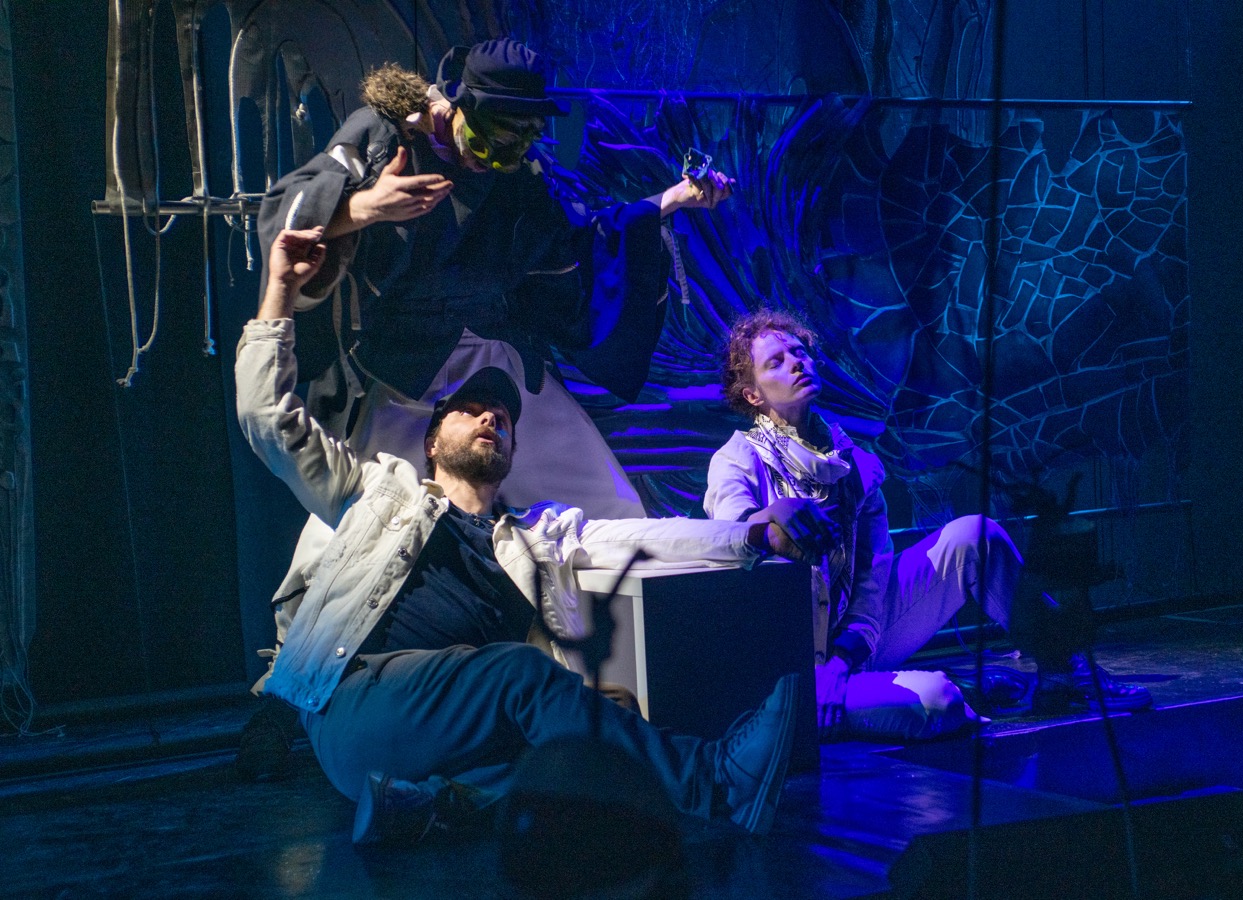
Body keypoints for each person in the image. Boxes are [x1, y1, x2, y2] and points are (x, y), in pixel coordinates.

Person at [235, 228, 831, 841]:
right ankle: (717, 782)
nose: (491, 416)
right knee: (526, 677)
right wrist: (280, 290)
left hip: (457, 730)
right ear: (433, 441)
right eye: (471, 410)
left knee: (591, 734)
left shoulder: (535, 534)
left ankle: (433, 805)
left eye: (503, 417)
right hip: (356, 701)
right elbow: (268, 420)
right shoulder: (376, 492)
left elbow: (647, 537)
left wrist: (752, 535)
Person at [257, 38, 732, 518]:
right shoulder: (386, 136)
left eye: (521, 141)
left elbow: (577, 238)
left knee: (610, 509)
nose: (499, 159)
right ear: (458, 107)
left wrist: (670, 200)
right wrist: (364, 207)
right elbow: (288, 213)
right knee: (367, 518)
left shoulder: (522, 172)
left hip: (501, 353)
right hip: (401, 369)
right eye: (495, 138)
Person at [703, 310, 1153, 739]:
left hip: (853, 643)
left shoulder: (853, 462)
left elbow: (872, 581)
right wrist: (772, 515)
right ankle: (941, 691)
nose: (796, 363)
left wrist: (843, 658)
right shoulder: (738, 459)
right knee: (937, 704)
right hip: (792, 657)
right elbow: (731, 546)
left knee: (975, 536)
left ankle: (1063, 671)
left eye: (800, 352)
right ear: (753, 395)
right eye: (776, 362)